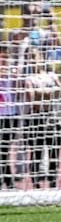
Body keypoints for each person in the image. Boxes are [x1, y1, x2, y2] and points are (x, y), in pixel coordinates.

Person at [24, 46, 61, 189]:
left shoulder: (51, 75)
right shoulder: (29, 78)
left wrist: (42, 93)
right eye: (30, 57)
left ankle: (53, 182)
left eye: (34, 56)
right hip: (36, 118)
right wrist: (49, 93)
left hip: (51, 116)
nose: (32, 60)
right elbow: (32, 98)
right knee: (36, 151)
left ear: (41, 58)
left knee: (53, 149)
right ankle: (36, 184)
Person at [0, 44, 19, 190]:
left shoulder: (12, 73)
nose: (5, 60)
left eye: (6, 57)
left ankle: (7, 181)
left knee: (5, 150)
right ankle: (8, 182)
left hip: (10, 115)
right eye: (2, 57)